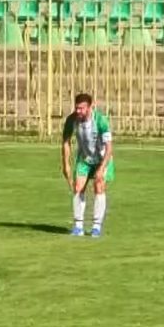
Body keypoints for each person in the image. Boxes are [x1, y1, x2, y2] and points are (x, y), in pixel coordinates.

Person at [61, 93, 113, 238]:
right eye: (77, 108)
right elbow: (66, 142)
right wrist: (66, 164)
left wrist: (102, 168)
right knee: (78, 188)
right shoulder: (71, 120)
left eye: (82, 108)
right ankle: (78, 227)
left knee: (99, 187)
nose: (78, 111)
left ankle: (96, 226)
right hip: (84, 159)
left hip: (102, 159)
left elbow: (109, 148)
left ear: (91, 107)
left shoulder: (101, 120)